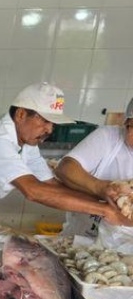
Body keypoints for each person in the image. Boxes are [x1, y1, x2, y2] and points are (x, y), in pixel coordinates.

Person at [0, 82, 131, 235]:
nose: (49, 129)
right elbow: (33, 191)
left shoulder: (27, 144)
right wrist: (104, 210)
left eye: (52, 124)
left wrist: (109, 201)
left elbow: (51, 185)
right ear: (20, 115)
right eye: (44, 121)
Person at [55, 97, 133, 250]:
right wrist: (101, 188)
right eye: (132, 127)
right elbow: (65, 169)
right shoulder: (108, 138)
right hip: (84, 241)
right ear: (126, 124)